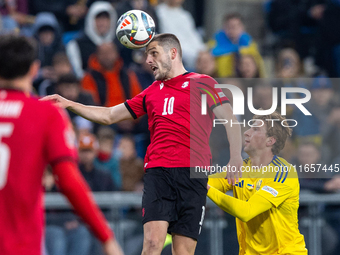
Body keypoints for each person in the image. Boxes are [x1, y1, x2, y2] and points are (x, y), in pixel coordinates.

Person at [42, 33, 243, 255]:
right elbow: (109, 115)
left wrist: (235, 158)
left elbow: (231, 121)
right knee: (153, 244)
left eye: (154, 53)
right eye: (147, 55)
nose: (148, 60)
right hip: (159, 172)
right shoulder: (151, 92)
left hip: (193, 174)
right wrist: (67, 103)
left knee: (183, 251)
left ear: (173, 53)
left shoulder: (203, 82)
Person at [0, 34, 123, 255]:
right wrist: (106, 237)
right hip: (19, 246)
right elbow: (68, 181)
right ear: (34, 69)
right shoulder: (45, 114)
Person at [207, 111, 308, 254]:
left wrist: (207, 188)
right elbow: (206, 182)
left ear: (270, 141)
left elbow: (247, 211)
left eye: (255, 129)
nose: (247, 133)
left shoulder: (284, 173)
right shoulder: (240, 168)